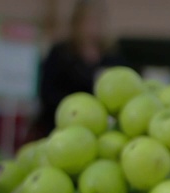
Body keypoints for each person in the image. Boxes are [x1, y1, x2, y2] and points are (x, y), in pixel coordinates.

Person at [28, 0, 122, 140]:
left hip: (101, 131)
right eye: (88, 20)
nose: (93, 26)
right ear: (77, 23)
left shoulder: (112, 56)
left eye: (97, 20)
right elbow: (47, 93)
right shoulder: (61, 53)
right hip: (62, 128)